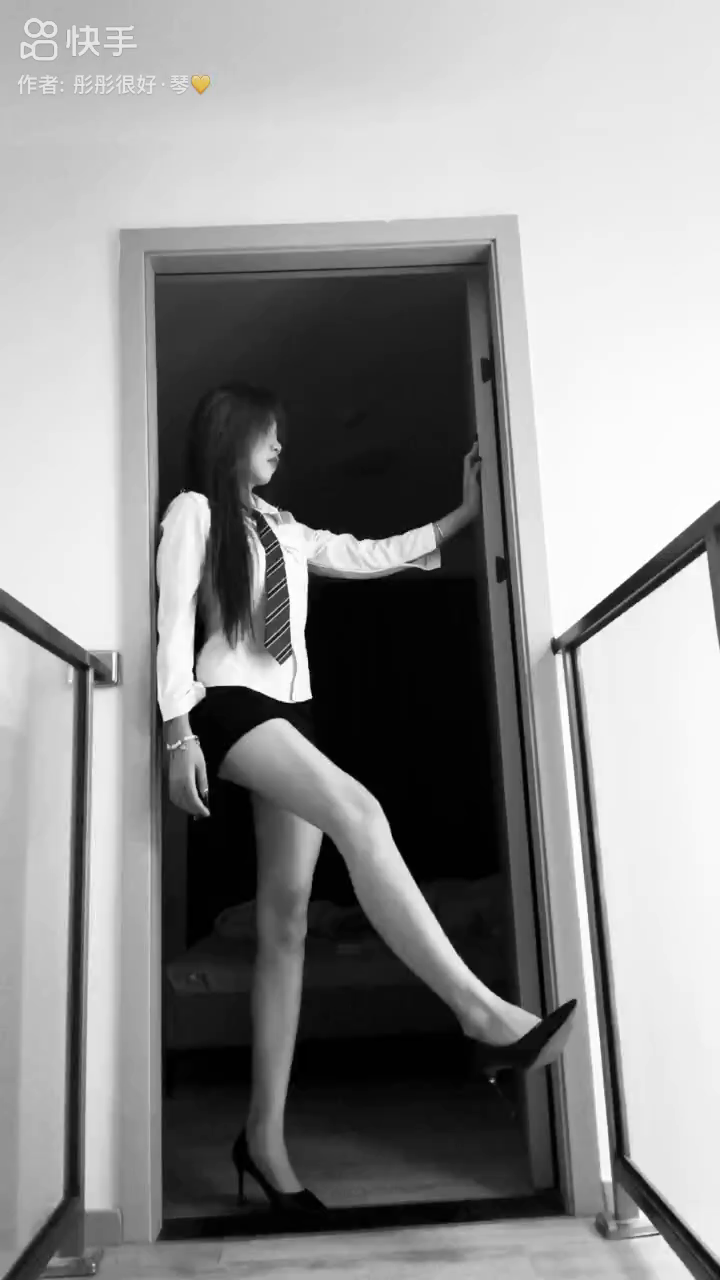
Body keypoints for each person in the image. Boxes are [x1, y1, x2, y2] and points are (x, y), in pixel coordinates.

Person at [156, 381, 577, 1217]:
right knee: (362, 814)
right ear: (231, 433)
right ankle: (480, 1013)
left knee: (286, 926)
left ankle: (262, 1143)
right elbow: (173, 623)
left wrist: (460, 519)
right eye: (268, 433)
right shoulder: (195, 512)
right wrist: (178, 732)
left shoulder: (284, 527)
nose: (280, 445)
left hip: (293, 712)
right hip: (230, 706)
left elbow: (365, 554)